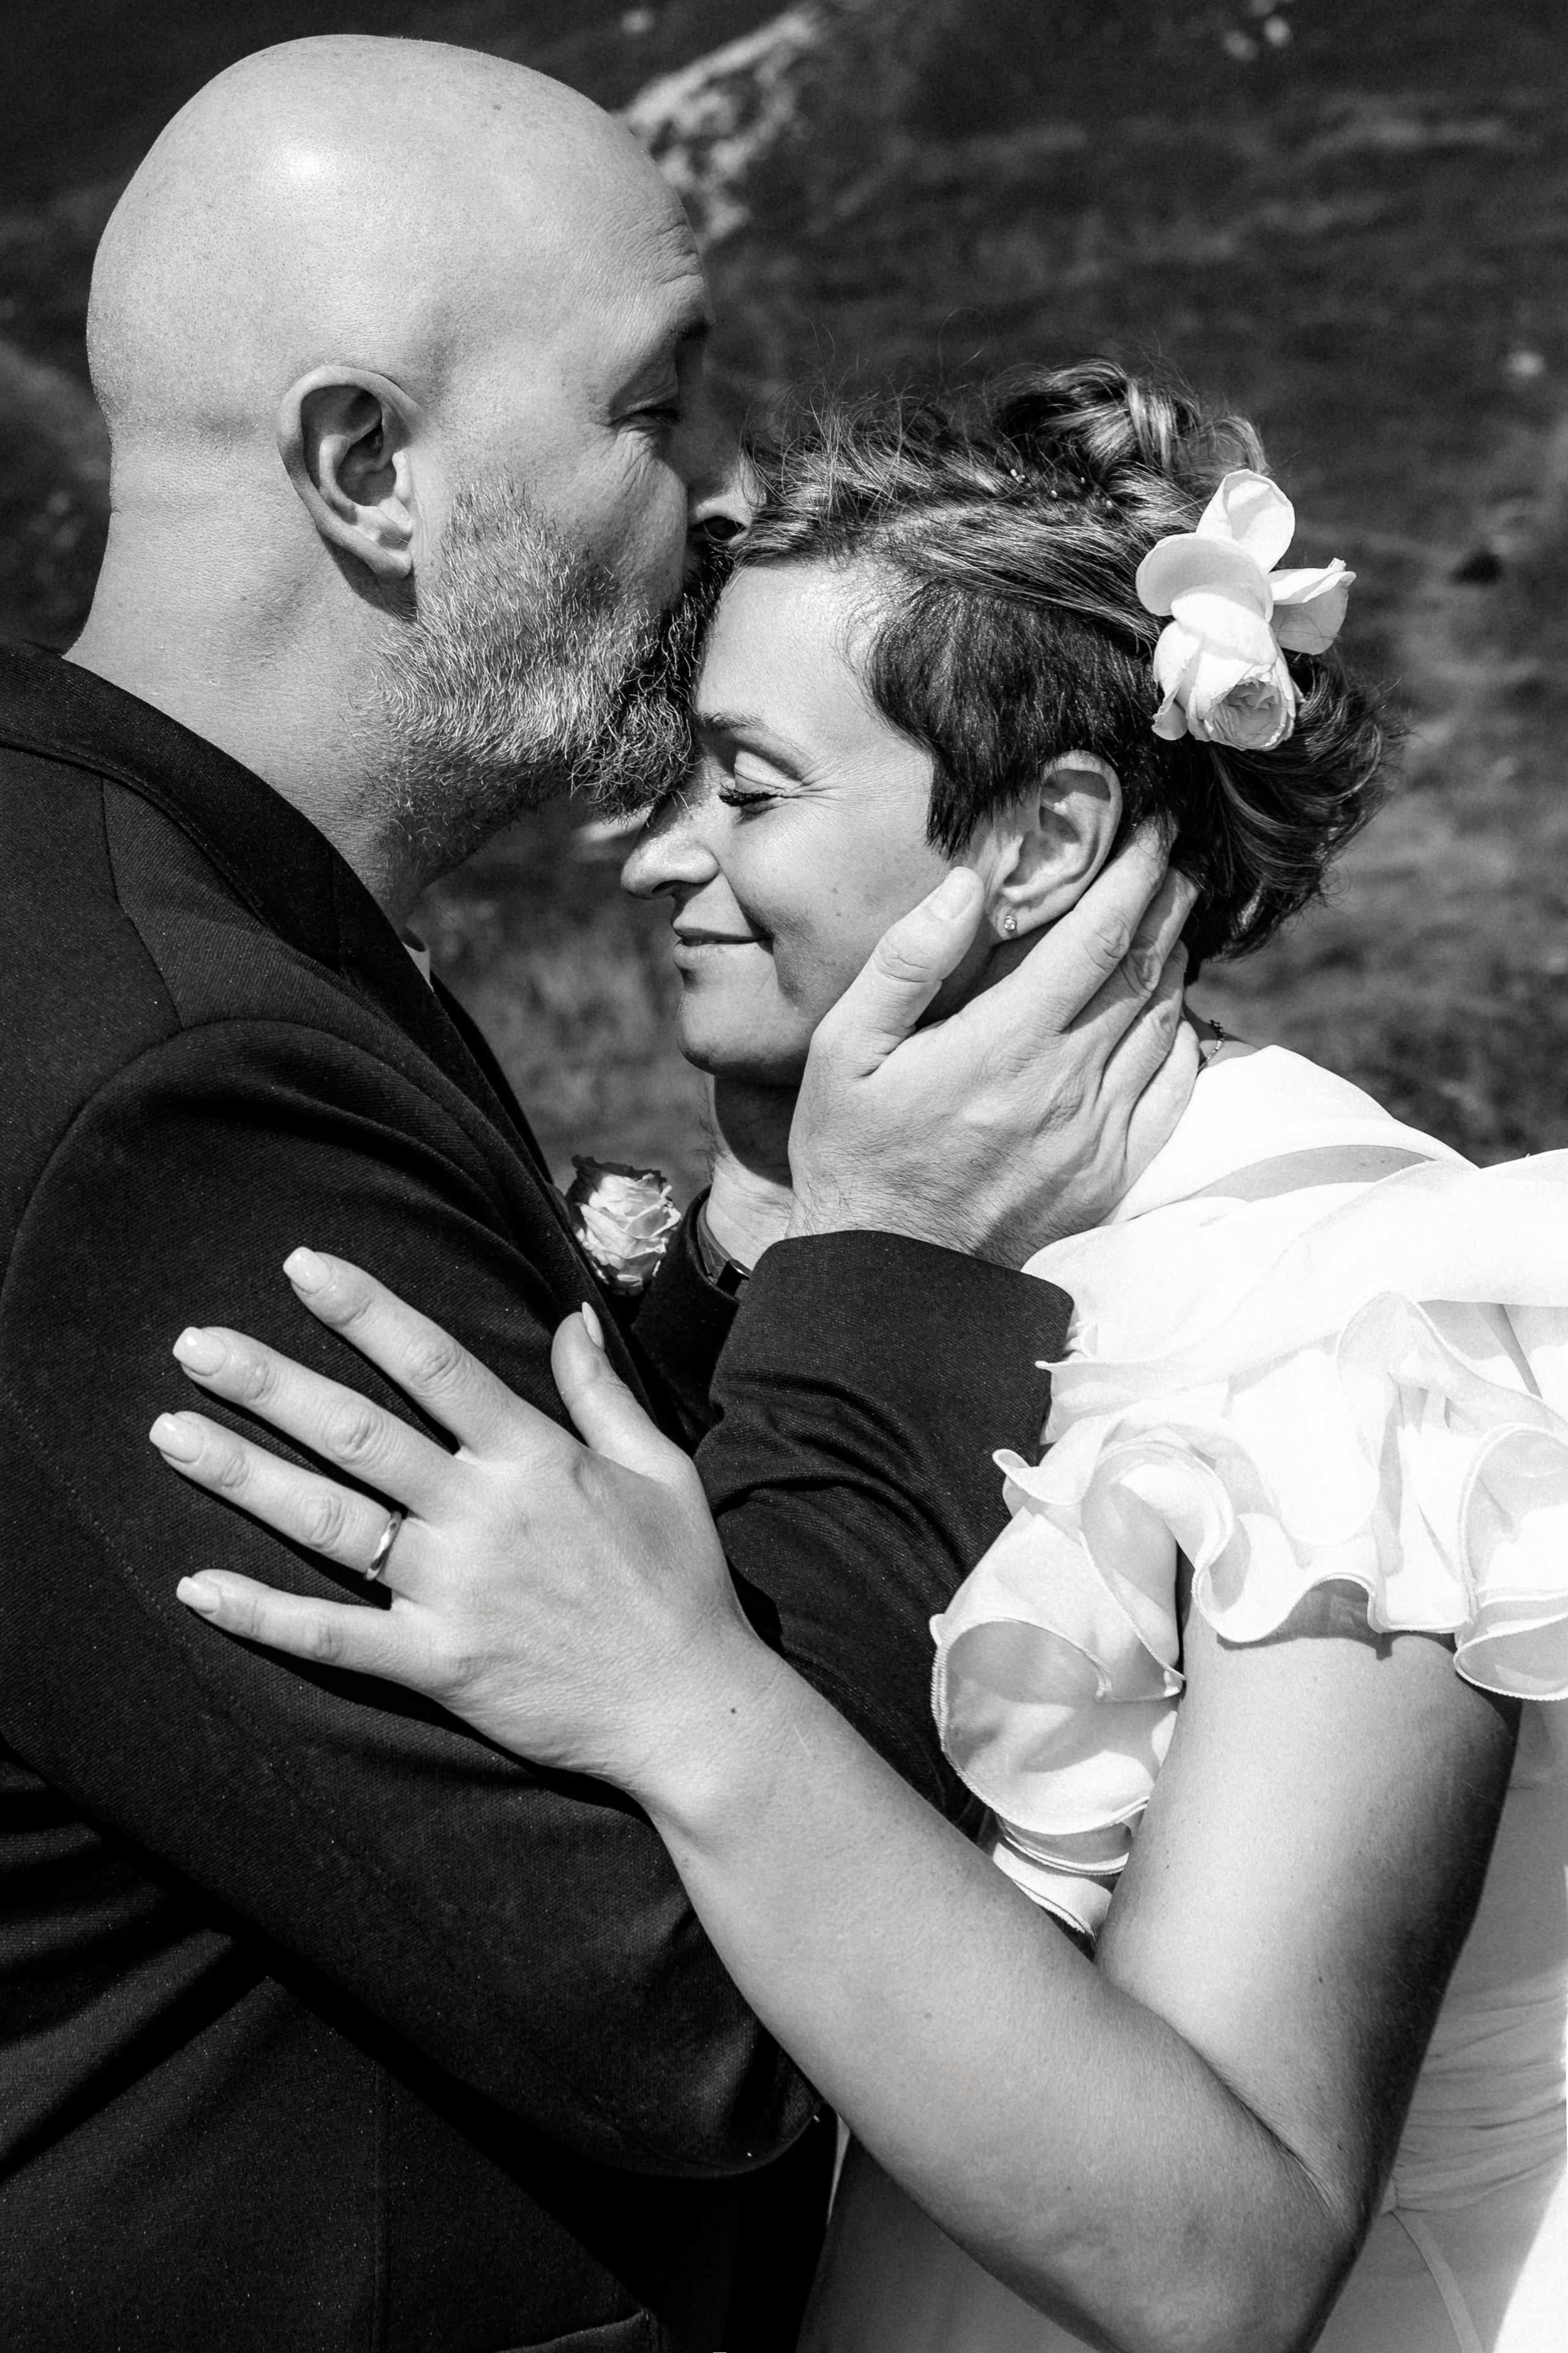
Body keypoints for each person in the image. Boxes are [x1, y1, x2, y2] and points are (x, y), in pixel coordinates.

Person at [158, 368, 1566, 2353]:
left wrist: (683, 1701)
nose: (654, 861)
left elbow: (1223, 2258)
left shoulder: (1345, 1327)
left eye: (747, 786)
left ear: (1050, 835)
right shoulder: (889, 1245)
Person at [0, 42, 1193, 2353]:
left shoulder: (162, 933)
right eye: (654, 413)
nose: (728, 497)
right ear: (371, 467)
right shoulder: (173, 1088)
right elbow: (691, 1991)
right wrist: (892, 1263)